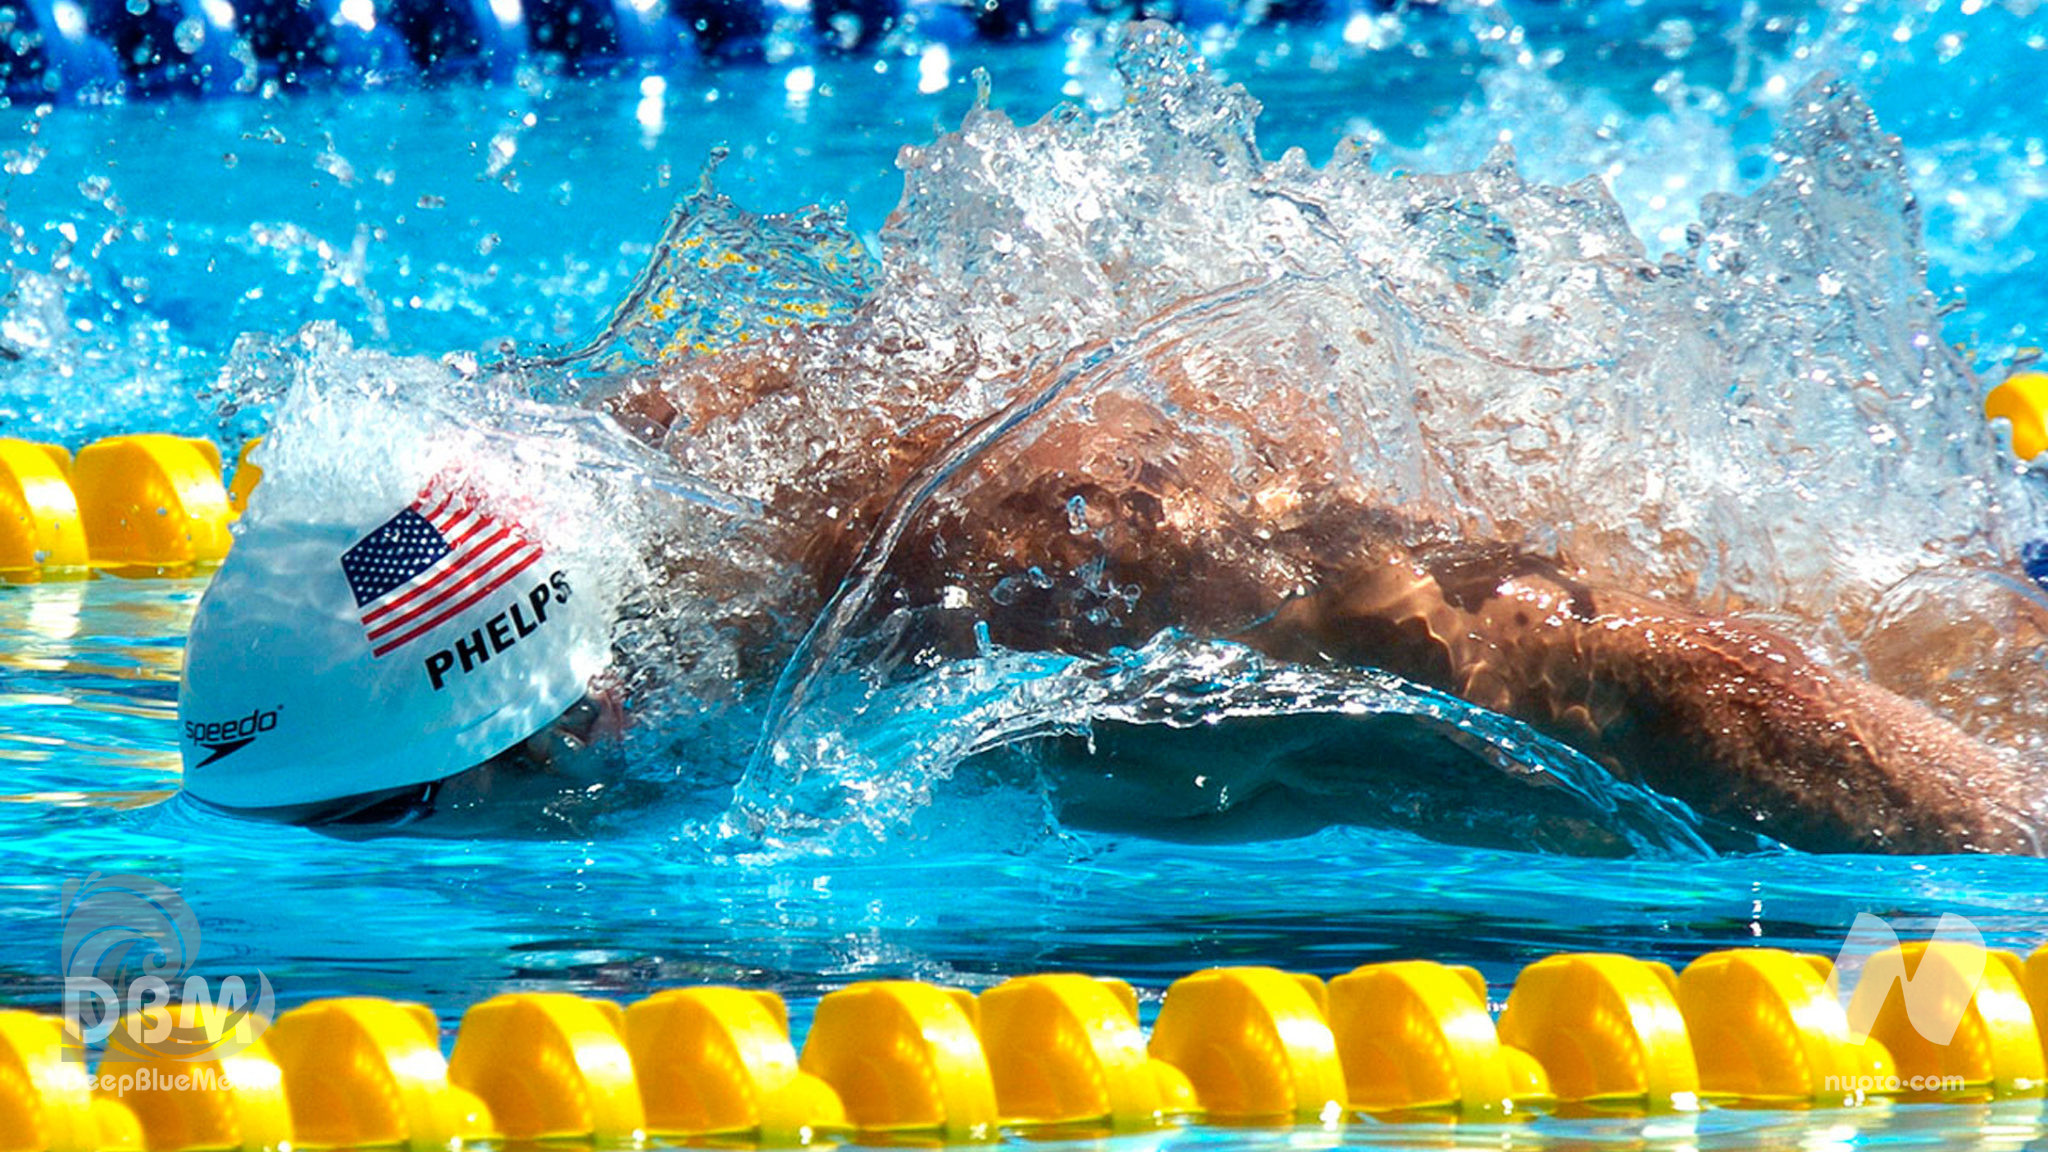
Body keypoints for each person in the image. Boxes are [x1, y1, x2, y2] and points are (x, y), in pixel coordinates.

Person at [178, 317, 2048, 855]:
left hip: (1897, 675)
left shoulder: (1018, 587)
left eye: (424, 819)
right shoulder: (604, 487)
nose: (439, 851)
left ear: (581, 708)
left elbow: (1668, 683)